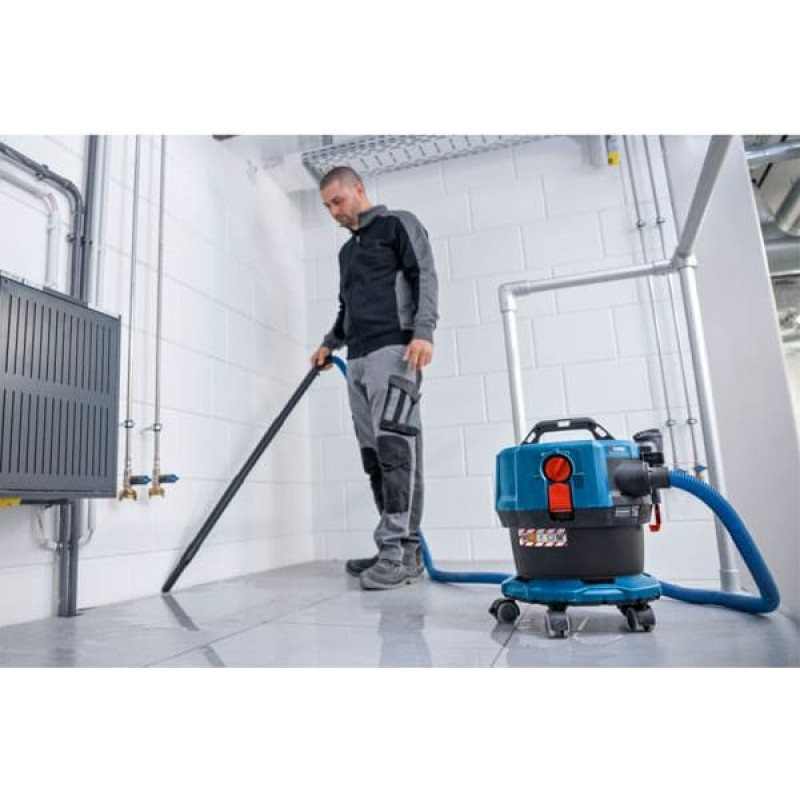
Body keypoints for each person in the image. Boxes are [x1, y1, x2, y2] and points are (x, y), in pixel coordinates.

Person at [310, 166, 439, 590]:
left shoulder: (397, 224)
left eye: (338, 201)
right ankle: (399, 548)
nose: (334, 211)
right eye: (327, 206)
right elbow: (346, 309)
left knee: (396, 450)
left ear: (359, 189)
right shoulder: (347, 253)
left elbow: (424, 276)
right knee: (374, 456)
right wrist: (330, 343)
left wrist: (423, 331)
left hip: (394, 351)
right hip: (358, 359)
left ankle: (397, 551)